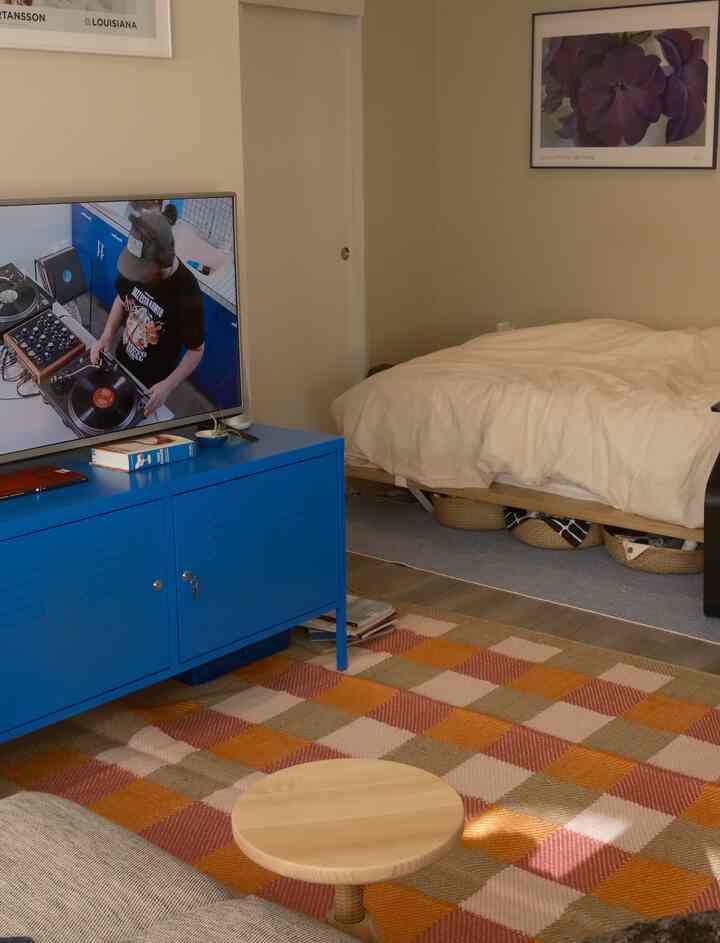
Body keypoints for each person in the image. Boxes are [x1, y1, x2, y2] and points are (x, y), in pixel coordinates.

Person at [90, 205, 205, 416]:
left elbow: (196, 350)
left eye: (142, 272)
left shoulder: (187, 293)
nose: (136, 276)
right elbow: (121, 298)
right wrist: (106, 336)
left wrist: (168, 386)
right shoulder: (135, 266)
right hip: (122, 359)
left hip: (153, 382)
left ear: (163, 262)